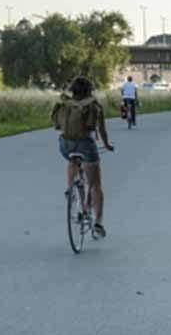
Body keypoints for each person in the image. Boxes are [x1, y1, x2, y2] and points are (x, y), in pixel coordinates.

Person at [51, 76, 115, 239]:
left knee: (72, 158)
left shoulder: (65, 103)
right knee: (96, 185)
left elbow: (57, 124)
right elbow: (102, 131)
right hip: (85, 145)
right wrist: (107, 145)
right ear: (89, 90)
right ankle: (98, 223)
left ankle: (70, 188)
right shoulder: (94, 105)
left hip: (65, 144)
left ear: (72, 90)